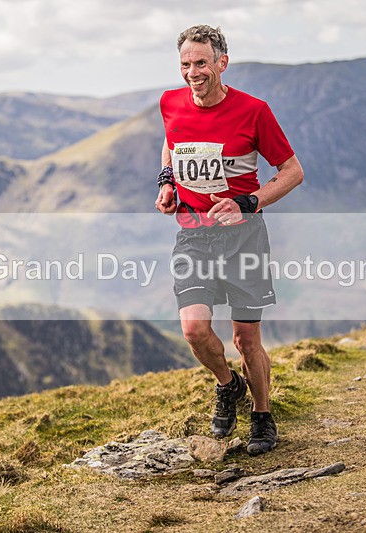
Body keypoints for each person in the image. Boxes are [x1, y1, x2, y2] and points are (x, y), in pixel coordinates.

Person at [155, 25, 303, 456]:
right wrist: (168, 181)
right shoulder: (169, 102)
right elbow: (172, 139)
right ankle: (227, 384)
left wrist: (249, 202)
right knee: (195, 329)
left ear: (222, 62)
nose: (192, 73)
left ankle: (261, 414)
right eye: (185, 64)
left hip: (243, 239)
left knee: (245, 340)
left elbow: (293, 171)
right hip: (194, 237)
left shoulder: (254, 111)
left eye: (201, 63)